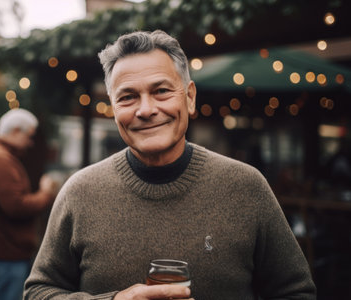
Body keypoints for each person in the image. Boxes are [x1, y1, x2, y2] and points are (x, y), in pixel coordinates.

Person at [24, 30, 316, 299]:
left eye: (161, 91)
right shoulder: (80, 192)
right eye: (128, 97)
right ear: (114, 109)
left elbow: (296, 292)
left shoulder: (246, 186)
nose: (146, 109)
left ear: (189, 98)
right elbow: (37, 291)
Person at [0, 108, 56, 300]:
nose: (30, 142)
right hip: (5, 251)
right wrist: (45, 192)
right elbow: (17, 207)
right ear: (16, 130)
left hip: (0, 249)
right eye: (29, 136)